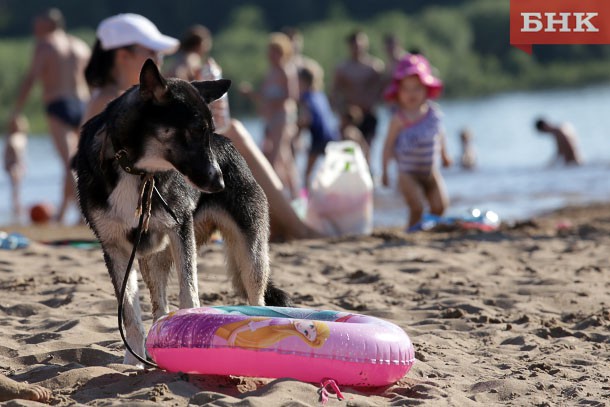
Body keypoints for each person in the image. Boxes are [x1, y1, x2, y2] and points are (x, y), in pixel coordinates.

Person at [83, 16, 319, 242]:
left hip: (154, 202)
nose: (160, 58)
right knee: (231, 135)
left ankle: (284, 224)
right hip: (140, 217)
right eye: (153, 52)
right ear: (123, 55)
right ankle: (296, 227)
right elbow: (106, 177)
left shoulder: (132, 100)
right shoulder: (108, 102)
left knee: (228, 133)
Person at [9, 8, 91, 223]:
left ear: (50, 25)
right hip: (83, 103)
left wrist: (16, 109)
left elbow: (31, 78)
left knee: (68, 164)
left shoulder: (46, 45)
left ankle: (84, 216)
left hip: (58, 103)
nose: (34, 28)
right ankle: (64, 214)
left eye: (38, 24)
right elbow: (93, 79)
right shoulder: (80, 45)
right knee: (80, 162)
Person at [381, 54, 452, 229]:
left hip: (430, 171)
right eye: (406, 89)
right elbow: (388, 145)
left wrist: (445, 155)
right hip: (407, 173)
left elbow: (440, 134)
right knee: (417, 207)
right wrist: (384, 171)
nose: (411, 94)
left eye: (417, 88)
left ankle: (429, 232)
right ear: (398, 92)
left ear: (426, 89)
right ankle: (410, 233)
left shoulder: (433, 114)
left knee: (440, 206)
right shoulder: (399, 119)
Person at [240, 32, 300, 199]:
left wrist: (271, 101)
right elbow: (264, 97)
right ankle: (294, 195)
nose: (272, 55)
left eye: (276, 51)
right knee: (284, 158)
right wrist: (251, 94)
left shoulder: (286, 70)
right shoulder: (271, 72)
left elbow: (291, 96)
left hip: (282, 117)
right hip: (270, 117)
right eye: (271, 51)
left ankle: (271, 196)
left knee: (274, 155)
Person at [165, 24, 230, 133]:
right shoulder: (192, 58)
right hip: (183, 116)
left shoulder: (179, 57)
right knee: (233, 128)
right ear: (202, 43)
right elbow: (179, 73)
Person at [331, 30, 385, 155]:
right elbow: (334, 91)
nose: (358, 48)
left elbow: (383, 89)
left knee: (367, 148)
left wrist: (375, 101)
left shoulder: (374, 67)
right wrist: (340, 110)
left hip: (368, 113)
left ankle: (368, 171)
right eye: (354, 45)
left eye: (360, 45)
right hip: (350, 116)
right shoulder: (343, 68)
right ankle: (348, 172)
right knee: (348, 146)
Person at [296, 66, 340, 187]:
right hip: (332, 135)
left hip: (319, 137)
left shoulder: (305, 97)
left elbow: (307, 119)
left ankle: (305, 197)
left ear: (302, 81)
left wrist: (296, 128)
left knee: (307, 173)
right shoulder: (320, 94)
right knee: (333, 170)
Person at [3, 115, 29, 219]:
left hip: (14, 166)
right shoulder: (21, 136)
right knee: (16, 188)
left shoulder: (14, 137)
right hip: (16, 165)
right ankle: (17, 208)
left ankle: (17, 209)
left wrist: (17, 163)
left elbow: (15, 148)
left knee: (15, 189)